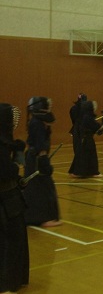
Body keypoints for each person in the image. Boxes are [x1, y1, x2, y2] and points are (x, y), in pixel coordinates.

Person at [0, 103, 29, 294]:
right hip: (5, 201)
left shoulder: (4, 143)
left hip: (7, 196)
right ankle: (4, 286)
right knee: (9, 241)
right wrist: (15, 168)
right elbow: (4, 171)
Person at [23, 97, 62, 227]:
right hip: (37, 159)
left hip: (34, 158)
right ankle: (43, 218)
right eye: (47, 105)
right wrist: (44, 160)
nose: (49, 107)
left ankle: (36, 217)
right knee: (41, 188)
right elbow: (40, 144)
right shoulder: (37, 123)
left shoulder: (38, 120)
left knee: (36, 187)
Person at [68, 100, 103, 178]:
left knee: (83, 155)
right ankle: (91, 172)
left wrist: (100, 130)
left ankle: (78, 172)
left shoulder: (87, 116)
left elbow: (94, 128)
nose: (96, 107)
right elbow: (96, 126)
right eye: (94, 105)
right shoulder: (87, 117)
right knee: (88, 155)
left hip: (86, 139)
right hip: (86, 139)